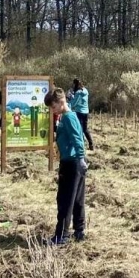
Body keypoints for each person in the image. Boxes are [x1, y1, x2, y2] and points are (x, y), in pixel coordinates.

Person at [43, 88, 88, 245]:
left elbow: (77, 139)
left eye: (53, 107)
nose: (53, 110)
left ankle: (61, 236)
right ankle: (79, 231)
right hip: (73, 162)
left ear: (61, 102)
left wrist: (81, 158)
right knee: (77, 199)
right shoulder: (67, 117)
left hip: (71, 163)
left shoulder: (68, 117)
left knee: (65, 200)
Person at [70, 79, 94, 151]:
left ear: (75, 84)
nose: (72, 85)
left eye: (73, 84)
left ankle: (81, 145)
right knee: (85, 129)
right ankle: (91, 144)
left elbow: (74, 104)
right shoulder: (85, 91)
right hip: (86, 112)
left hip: (79, 112)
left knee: (79, 129)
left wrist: (71, 98)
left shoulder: (78, 93)